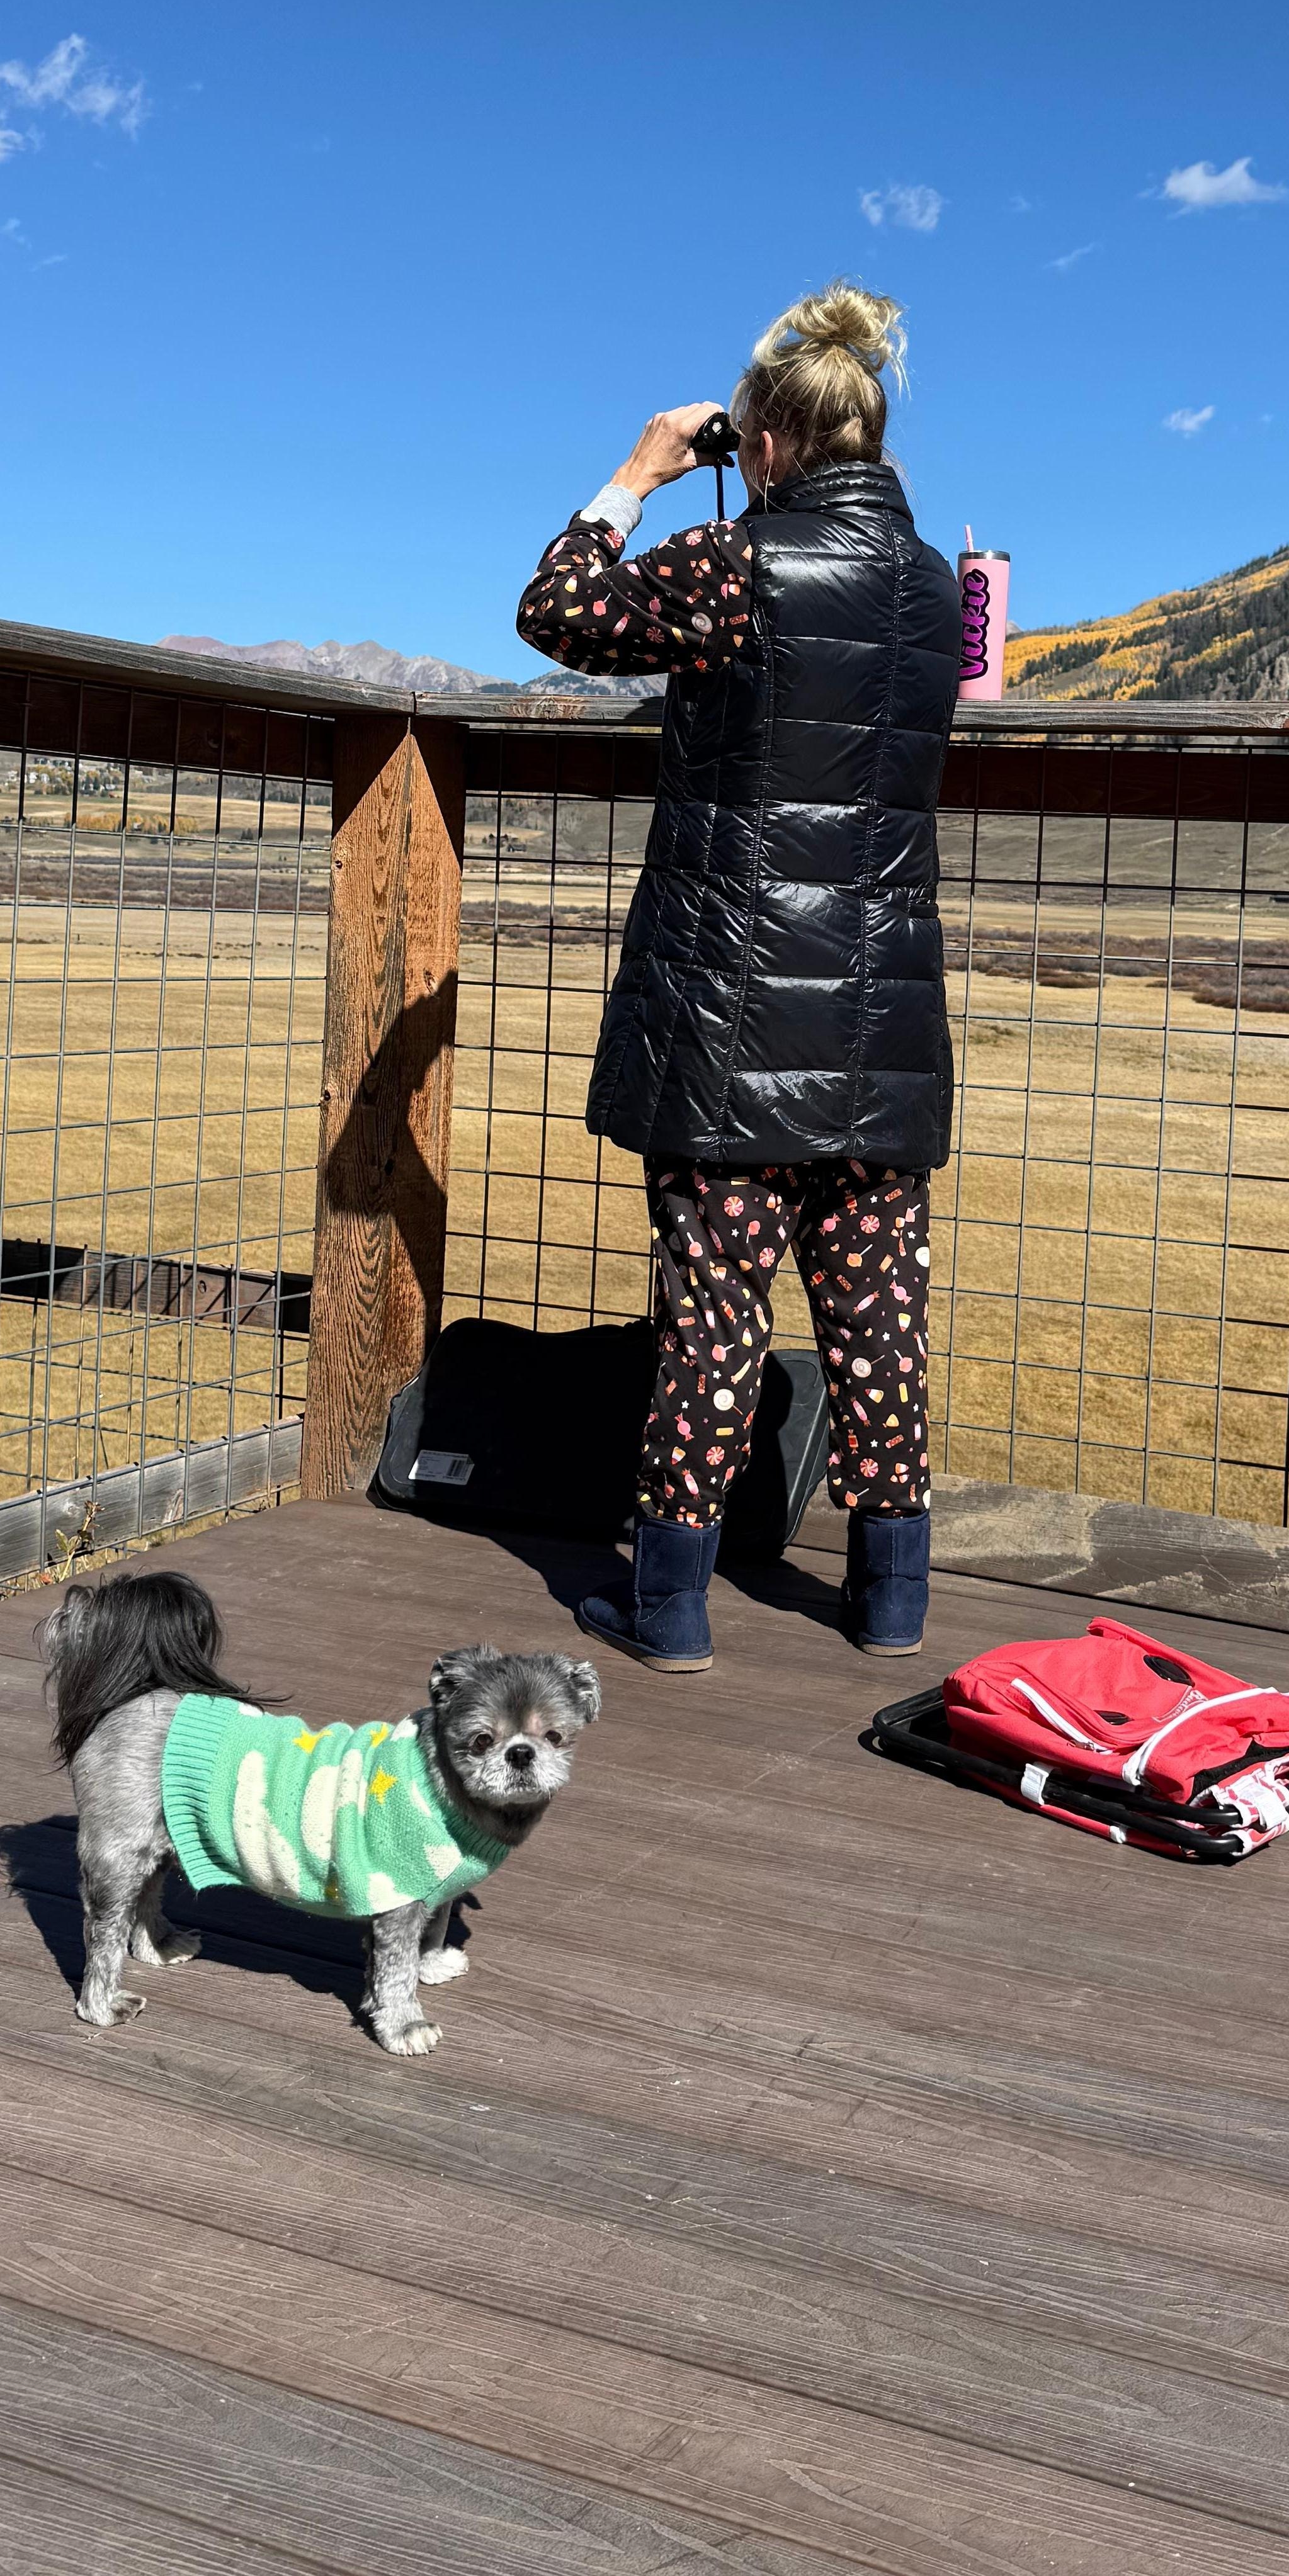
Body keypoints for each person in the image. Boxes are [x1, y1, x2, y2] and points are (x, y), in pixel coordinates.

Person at [514, 281, 962, 1673]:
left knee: (713, 1317)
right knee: (878, 1318)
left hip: (731, 1019)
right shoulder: (936, 588)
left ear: (761, 441)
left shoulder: (737, 565)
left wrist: (639, 474)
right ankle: (890, 1600)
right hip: (882, 1016)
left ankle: (670, 1606)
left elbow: (557, 612)